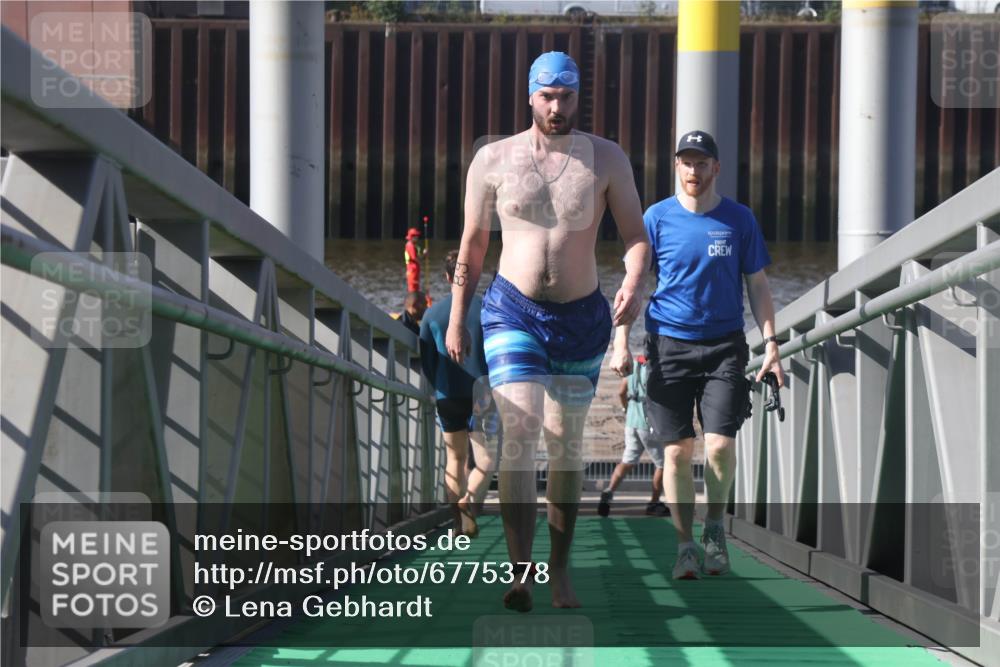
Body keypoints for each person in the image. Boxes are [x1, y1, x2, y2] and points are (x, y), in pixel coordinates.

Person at [445, 51, 650, 612]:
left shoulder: (605, 159)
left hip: (583, 318)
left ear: (577, 98)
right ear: (530, 97)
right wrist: (460, 314)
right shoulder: (492, 159)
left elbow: (635, 236)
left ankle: (560, 571)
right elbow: (473, 244)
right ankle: (520, 573)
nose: (556, 108)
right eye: (547, 97)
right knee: (520, 432)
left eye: (566, 97)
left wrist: (633, 280)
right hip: (512, 310)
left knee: (565, 448)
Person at [614, 129, 784, 580]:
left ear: (716, 168)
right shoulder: (656, 219)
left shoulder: (739, 220)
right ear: (677, 167)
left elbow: (759, 285)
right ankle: (685, 544)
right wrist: (621, 342)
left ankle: (714, 527)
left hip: (724, 346)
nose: (694, 170)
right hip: (667, 346)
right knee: (674, 454)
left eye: (702, 162)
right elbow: (633, 286)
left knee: (720, 446)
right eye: (686, 162)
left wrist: (772, 343)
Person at [419, 251, 496, 538]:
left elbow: (426, 360)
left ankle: (457, 524)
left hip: (447, 394)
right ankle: (469, 500)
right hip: (481, 394)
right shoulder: (488, 310)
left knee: (454, 459)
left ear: (447, 277)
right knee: (487, 460)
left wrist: (438, 382)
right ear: (475, 276)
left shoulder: (432, 314)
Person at [597, 354, 670, 518]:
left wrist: (626, 409)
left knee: (628, 460)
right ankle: (654, 503)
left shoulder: (635, 363)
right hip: (647, 422)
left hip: (631, 421)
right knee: (663, 464)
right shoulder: (656, 368)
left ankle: (608, 492)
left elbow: (622, 391)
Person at [404, 227, 428, 293]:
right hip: (412, 270)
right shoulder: (410, 245)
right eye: (416, 236)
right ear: (412, 237)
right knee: (413, 289)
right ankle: (413, 301)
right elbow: (415, 258)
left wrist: (424, 255)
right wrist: (424, 255)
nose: (417, 237)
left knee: (416, 288)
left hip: (414, 270)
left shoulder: (413, 245)